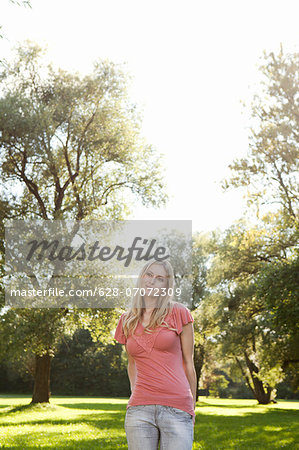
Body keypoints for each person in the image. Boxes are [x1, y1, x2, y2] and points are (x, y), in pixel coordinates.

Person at [114, 259, 197, 450]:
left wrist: (191, 407)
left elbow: (188, 364)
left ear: (166, 285)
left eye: (160, 278)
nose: (152, 281)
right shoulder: (127, 320)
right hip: (139, 410)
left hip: (177, 407)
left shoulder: (179, 312)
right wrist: (135, 393)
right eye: (149, 275)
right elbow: (132, 364)